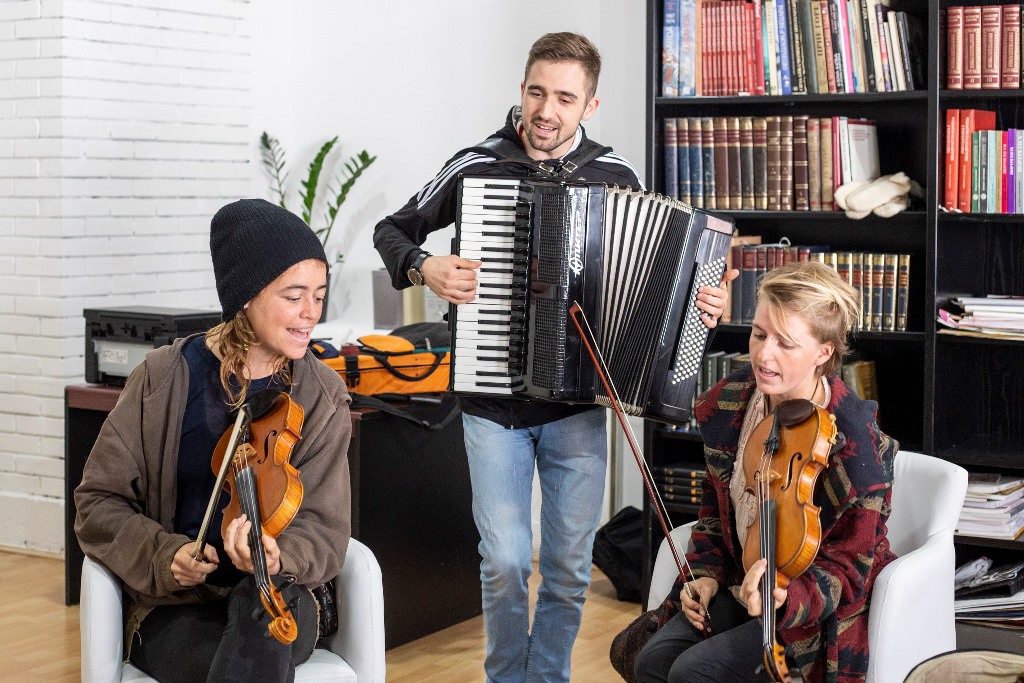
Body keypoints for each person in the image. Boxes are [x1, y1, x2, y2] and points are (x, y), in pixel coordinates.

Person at [373, 32, 736, 683]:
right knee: (506, 561)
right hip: (492, 403)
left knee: (568, 569)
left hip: (578, 407)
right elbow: (392, 230)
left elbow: (663, 283)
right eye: (537, 92)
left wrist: (704, 303)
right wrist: (425, 266)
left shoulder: (615, 175)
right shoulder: (476, 165)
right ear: (522, 90)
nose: (546, 110)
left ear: (589, 105)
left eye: (564, 98)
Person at [75, 198, 352, 683]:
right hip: (175, 604)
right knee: (244, 662)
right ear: (245, 296)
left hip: (279, 595)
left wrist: (279, 556)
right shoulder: (162, 379)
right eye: (294, 297)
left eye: (319, 295)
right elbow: (98, 502)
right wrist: (164, 555)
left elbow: (325, 530)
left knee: (260, 617)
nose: (311, 314)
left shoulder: (322, 396)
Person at [633, 260, 900, 683]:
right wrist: (705, 575)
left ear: (823, 352)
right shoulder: (732, 403)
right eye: (759, 334)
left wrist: (785, 598)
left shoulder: (857, 444)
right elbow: (714, 513)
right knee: (650, 662)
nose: (763, 354)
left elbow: (849, 567)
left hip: (809, 614)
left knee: (692, 673)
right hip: (740, 585)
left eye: (785, 343)